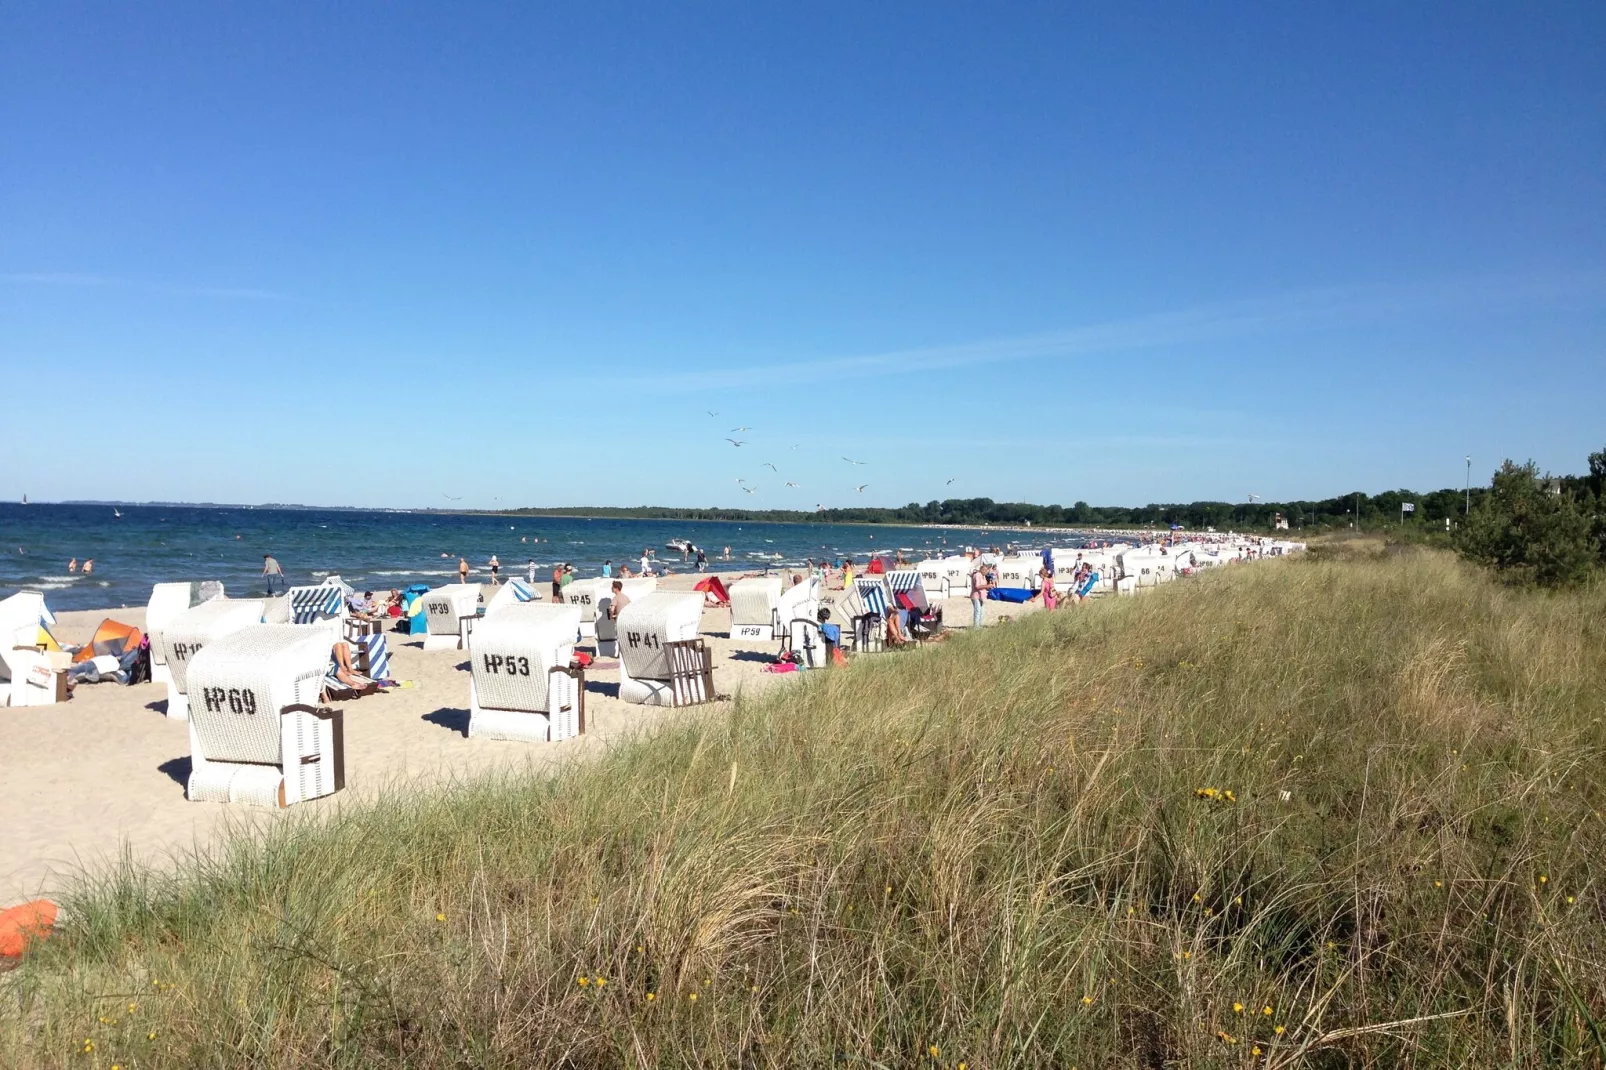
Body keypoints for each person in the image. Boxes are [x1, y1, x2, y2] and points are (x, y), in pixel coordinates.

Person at [969, 561, 991, 629]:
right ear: (983, 570)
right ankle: (976, 627)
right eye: (987, 570)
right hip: (976, 596)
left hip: (981, 596)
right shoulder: (977, 575)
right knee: (977, 611)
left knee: (981, 611)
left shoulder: (983, 576)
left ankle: (979, 625)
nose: (988, 572)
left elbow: (984, 586)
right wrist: (987, 586)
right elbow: (977, 586)